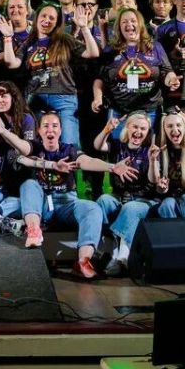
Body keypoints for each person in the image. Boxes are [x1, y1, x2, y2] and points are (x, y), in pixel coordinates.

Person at [16, 111, 124, 279]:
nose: (50, 130)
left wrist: (112, 167)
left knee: (92, 207)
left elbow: (88, 161)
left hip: (66, 202)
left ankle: (83, 261)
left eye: (55, 126)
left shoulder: (69, 150)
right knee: (29, 185)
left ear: (60, 130)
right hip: (41, 204)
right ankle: (34, 230)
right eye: (45, 126)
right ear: (39, 130)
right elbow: (19, 155)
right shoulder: (33, 147)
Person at [0, 2, 99, 147]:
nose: (47, 20)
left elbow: (93, 53)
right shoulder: (29, 42)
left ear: (57, 23)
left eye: (52, 18)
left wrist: (84, 28)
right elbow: (12, 63)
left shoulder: (64, 39)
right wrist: (8, 38)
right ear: (36, 18)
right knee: (34, 145)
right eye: (44, 16)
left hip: (64, 98)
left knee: (69, 145)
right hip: (36, 98)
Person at [92, 8, 180, 138]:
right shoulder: (111, 49)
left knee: (148, 148)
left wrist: (171, 80)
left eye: (133, 21)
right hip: (119, 113)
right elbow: (100, 78)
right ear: (119, 27)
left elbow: (167, 72)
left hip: (149, 111)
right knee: (118, 147)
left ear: (140, 24)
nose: (129, 24)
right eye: (124, 22)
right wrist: (98, 98)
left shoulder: (155, 47)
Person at [93, 110, 157, 276]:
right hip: (119, 197)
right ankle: (109, 250)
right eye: (135, 127)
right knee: (103, 200)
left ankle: (123, 257)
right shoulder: (117, 146)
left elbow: (153, 180)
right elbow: (97, 146)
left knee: (130, 208)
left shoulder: (151, 150)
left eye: (143, 129)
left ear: (148, 132)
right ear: (127, 128)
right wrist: (107, 130)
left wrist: (152, 161)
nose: (138, 131)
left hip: (143, 200)